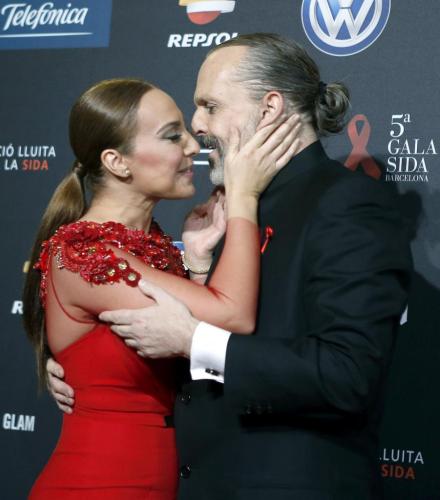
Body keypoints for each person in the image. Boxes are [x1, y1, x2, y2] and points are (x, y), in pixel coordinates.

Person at [48, 34, 412, 500]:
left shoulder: (345, 202)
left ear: (270, 107)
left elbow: (348, 374)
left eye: (211, 107)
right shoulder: (229, 211)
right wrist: (84, 369)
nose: (198, 126)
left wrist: (193, 340)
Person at [23, 77, 301, 499]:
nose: (192, 145)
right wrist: (244, 196)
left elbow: (205, 341)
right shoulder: (83, 252)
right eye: (173, 136)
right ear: (117, 162)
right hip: (100, 484)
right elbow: (232, 315)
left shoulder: (152, 246)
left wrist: (197, 260)